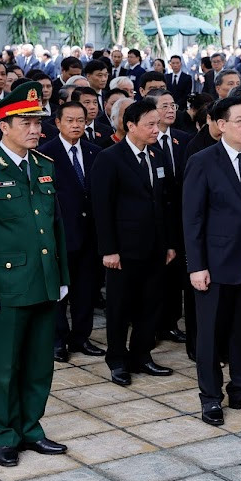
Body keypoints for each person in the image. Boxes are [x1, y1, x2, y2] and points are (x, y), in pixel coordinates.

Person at [0, 81, 70, 467]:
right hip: (5, 289)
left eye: (38, 122)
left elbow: (55, 227)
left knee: (40, 363)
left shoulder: (44, 166)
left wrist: (61, 275)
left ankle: (31, 428)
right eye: (25, 122)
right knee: (5, 367)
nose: (35, 130)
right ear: (3, 126)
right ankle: (4, 434)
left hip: (42, 281)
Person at [183, 96, 241, 425]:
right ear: (221, 125)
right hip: (215, 264)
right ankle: (210, 397)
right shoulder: (203, 161)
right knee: (210, 335)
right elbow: (192, 218)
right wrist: (196, 266)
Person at [91, 100, 177, 386]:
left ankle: (142, 354)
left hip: (154, 247)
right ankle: (117, 359)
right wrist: (109, 249)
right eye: (150, 124)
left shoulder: (157, 154)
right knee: (119, 307)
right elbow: (101, 208)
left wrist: (169, 244)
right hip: (123, 250)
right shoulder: (110, 158)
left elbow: (164, 203)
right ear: (131, 126)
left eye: (157, 123)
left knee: (150, 304)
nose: (156, 129)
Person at [38, 101, 106, 363]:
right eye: (70, 120)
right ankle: (57, 340)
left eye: (81, 120)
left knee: (86, 289)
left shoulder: (94, 152)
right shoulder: (45, 154)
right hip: (61, 234)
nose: (76, 125)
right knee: (58, 292)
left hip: (90, 235)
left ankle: (81, 336)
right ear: (58, 123)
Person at [147, 90, 192, 348]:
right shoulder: (148, 140)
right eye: (164, 106)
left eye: (173, 104)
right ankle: (151, 325)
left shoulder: (183, 139)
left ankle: (171, 323)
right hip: (156, 218)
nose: (171, 110)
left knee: (176, 276)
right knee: (156, 276)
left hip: (180, 216)